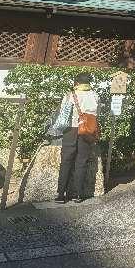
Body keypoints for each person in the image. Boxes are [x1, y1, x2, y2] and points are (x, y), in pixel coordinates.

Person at [52, 72, 99, 203]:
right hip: (87, 130)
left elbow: (63, 113)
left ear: (77, 82)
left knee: (66, 161)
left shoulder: (70, 95)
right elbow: (97, 113)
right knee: (81, 162)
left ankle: (61, 195)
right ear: (88, 83)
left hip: (71, 130)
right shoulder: (95, 95)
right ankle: (78, 194)